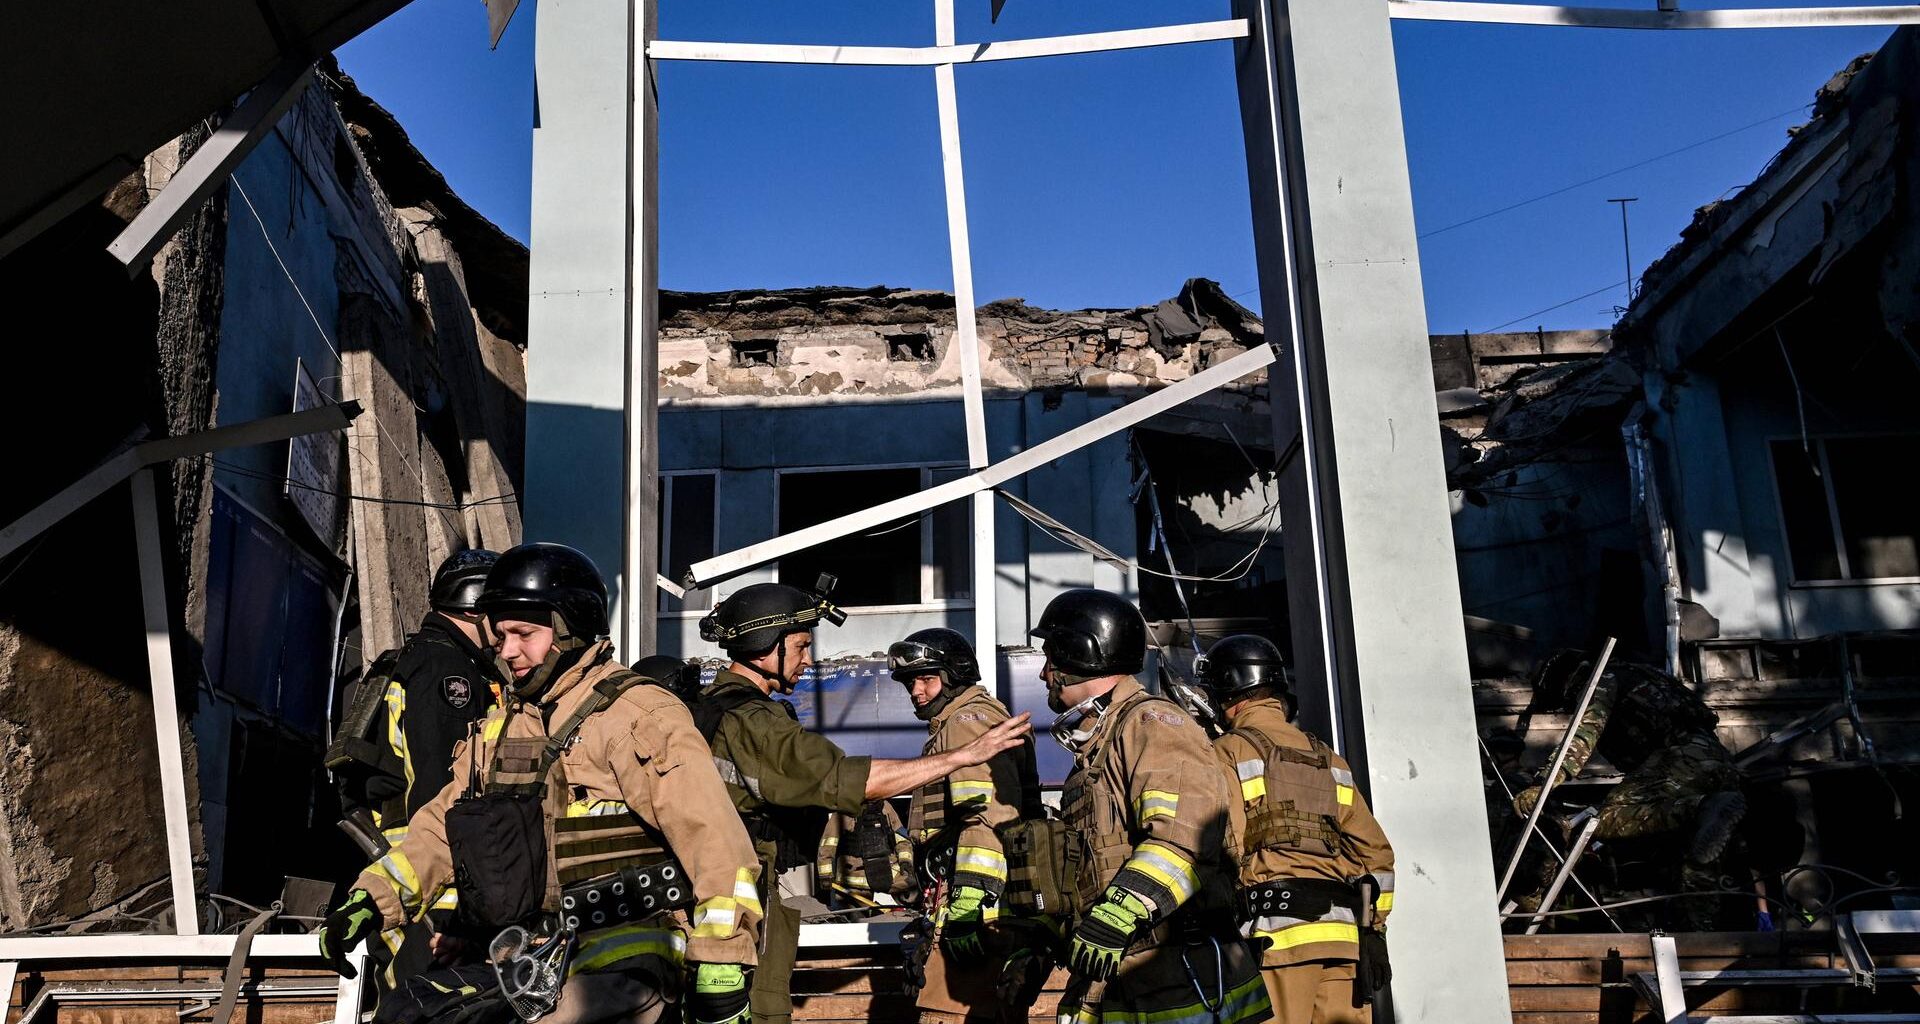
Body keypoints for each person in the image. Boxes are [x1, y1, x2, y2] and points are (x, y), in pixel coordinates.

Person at [317, 543, 764, 1024]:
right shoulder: (503, 727)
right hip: (535, 960)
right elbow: (441, 829)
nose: (507, 651)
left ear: (570, 627)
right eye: (500, 635)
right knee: (408, 1013)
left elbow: (715, 840)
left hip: (628, 959)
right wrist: (374, 896)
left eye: (523, 634)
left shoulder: (636, 716)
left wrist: (723, 962)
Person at [695, 579, 1032, 1024]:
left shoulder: (712, 707)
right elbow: (849, 781)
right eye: (800, 646)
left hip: (734, 903)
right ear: (763, 647)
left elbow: (983, 818)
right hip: (739, 906)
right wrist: (966, 756)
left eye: (926, 680)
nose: (809, 660)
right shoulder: (751, 719)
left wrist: (970, 896)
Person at [1035, 589, 1270, 1024]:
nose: (1045, 673)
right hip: (1122, 981)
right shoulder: (1093, 756)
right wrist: (1040, 948)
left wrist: (1118, 914)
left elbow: (1187, 835)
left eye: (1051, 656)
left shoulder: (1153, 723)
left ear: (1079, 653)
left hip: (1182, 982)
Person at [330, 549, 503, 989]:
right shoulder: (448, 671)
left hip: (401, 867)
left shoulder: (416, 658)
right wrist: (456, 903)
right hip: (427, 880)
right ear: (479, 607)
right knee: (429, 999)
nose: (506, 633)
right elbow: (443, 785)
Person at [1202, 634, 1395, 1023]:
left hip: (1276, 942)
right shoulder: (1330, 760)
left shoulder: (1229, 751)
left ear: (1228, 693)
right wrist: (1374, 930)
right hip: (1344, 943)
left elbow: (1225, 846)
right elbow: (1377, 856)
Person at [1511, 651, 1744, 929]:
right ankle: (1701, 933)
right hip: (1718, 761)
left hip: (1679, 758)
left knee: (1602, 820)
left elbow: (1586, 730)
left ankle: (1698, 808)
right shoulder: (1641, 672)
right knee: (1692, 855)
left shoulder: (1601, 678)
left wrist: (1545, 782)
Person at [887, 627, 1045, 1024]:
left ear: (955, 674)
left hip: (977, 911)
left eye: (926, 678)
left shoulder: (966, 723)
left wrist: (967, 906)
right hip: (985, 906)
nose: (916, 692)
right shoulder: (969, 718)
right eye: (910, 682)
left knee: (946, 1017)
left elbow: (986, 815)